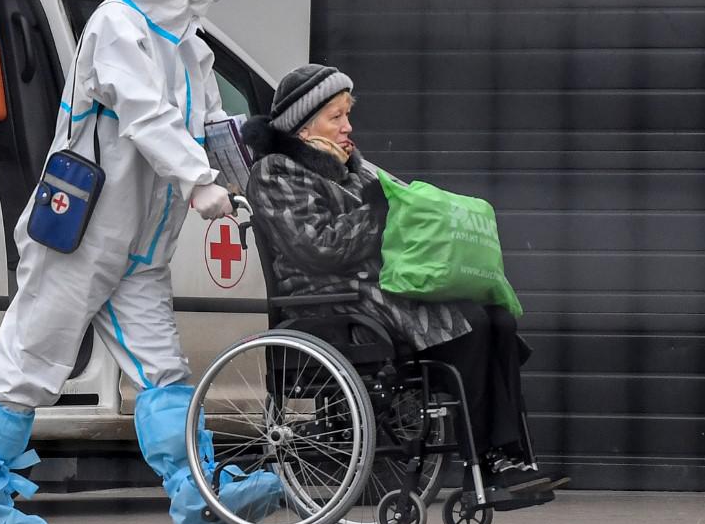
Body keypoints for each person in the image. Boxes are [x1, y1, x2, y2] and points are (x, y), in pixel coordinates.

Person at [0, 0, 281, 524]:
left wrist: (242, 179)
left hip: (142, 247)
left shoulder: (192, 48)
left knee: (161, 371)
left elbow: (216, 124)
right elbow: (144, 115)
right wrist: (201, 183)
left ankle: (196, 491)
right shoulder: (116, 27)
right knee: (32, 358)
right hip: (79, 235)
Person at [242, 63, 566, 495]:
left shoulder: (354, 168)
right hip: (331, 301)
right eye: (335, 117)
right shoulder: (275, 173)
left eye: (346, 114)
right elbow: (319, 250)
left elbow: (400, 218)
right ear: (302, 126)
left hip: (377, 291)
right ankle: (486, 466)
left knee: (498, 318)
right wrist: (378, 206)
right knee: (472, 326)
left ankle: (510, 457)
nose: (347, 126)